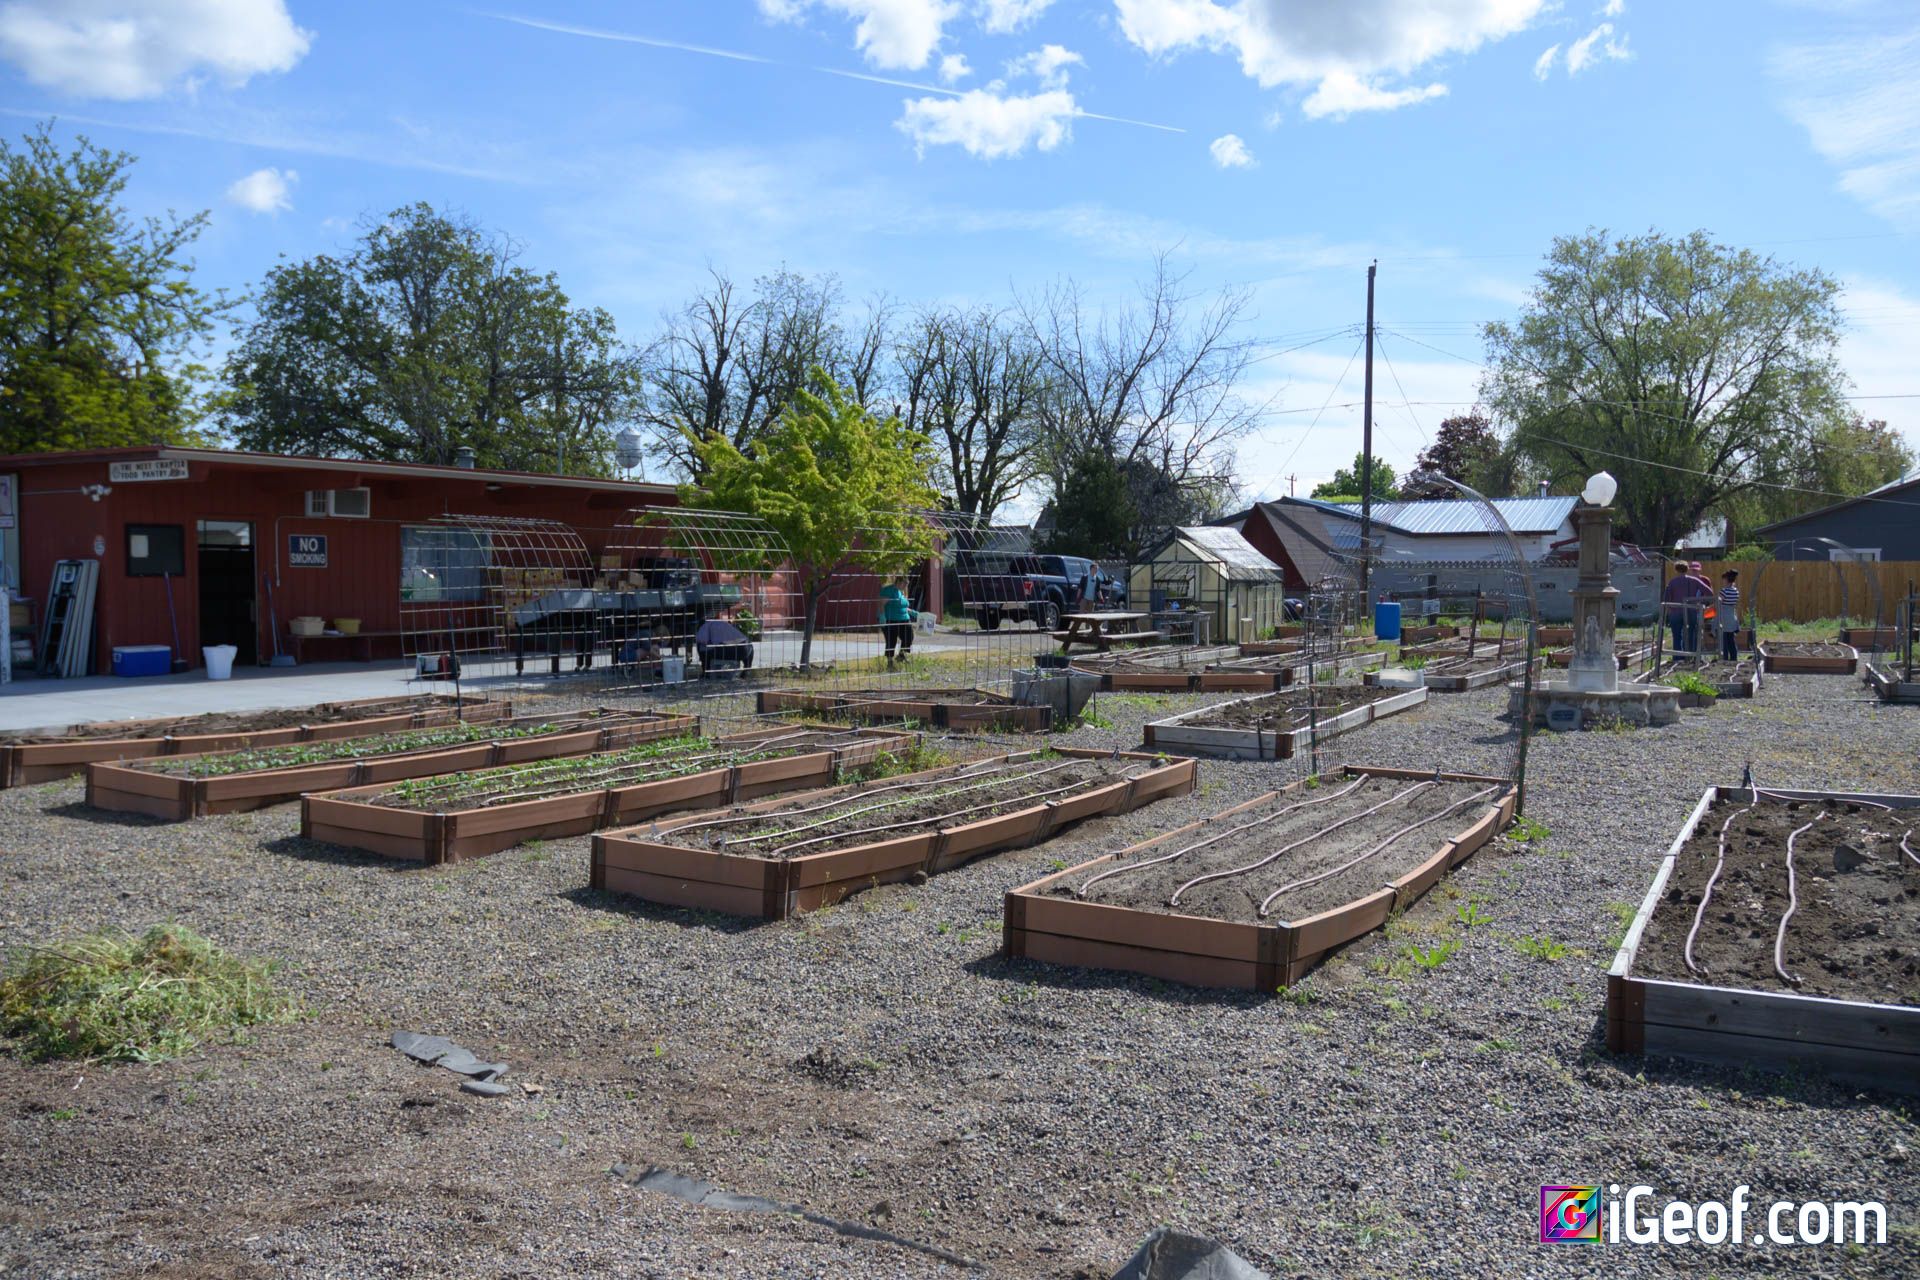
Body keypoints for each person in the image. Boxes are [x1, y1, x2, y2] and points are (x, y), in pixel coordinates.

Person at [1662, 561, 1709, 654]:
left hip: (1676, 612)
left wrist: (1669, 609)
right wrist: (1700, 603)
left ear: (1676, 570)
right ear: (1687, 569)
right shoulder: (1694, 581)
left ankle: (1677, 657)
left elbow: (1666, 598)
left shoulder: (1672, 582)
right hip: (1691, 611)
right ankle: (1691, 656)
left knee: (1676, 636)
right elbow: (1709, 592)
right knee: (1691, 635)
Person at [879, 575, 915, 666]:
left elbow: (903, 606)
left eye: (907, 584)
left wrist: (913, 612)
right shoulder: (888, 590)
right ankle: (890, 661)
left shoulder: (901, 591)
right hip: (891, 619)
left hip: (904, 619)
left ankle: (901, 656)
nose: (906, 586)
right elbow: (881, 604)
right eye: (904, 584)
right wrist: (882, 616)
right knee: (891, 640)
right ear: (898, 582)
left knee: (909, 636)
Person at [1717, 570, 1742, 661]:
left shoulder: (1724, 591)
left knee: (1724, 640)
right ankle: (1734, 658)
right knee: (1731, 639)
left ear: (1726, 579)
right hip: (1732, 615)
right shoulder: (1736, 591)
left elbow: (1718, 603)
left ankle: (1724, 659)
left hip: (1724, 616)